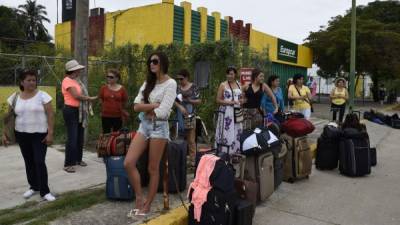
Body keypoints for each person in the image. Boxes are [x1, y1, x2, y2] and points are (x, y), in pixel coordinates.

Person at [124, 52, 177, 217]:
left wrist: (146, 107)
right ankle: (139, 198)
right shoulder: (148, 82)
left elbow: (163, 112)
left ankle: (147, 205)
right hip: (144, 126)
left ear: (163, 63)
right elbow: (135, 106)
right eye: (150, 61)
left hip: (159, 128)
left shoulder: (171, 83)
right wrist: (153, 105)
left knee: (152, 168)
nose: (151, 64)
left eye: (155, 61)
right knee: (128, 162)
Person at [1, 70, 56, 201]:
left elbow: (50, 114)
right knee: (29, 162)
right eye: (29, 80)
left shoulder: (43, 95)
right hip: (21, 134)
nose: (32, 82)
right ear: (22, 82)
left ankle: (45, 191)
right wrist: (4, 134)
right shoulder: (14, 97)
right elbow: (8, 118)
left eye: (34, 80)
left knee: (39, 161)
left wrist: (50, 133)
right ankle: (33, 187)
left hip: (39, 134)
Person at [62, 60, 98, 173]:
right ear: (73, 70)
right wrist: (90, 99)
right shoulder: (67, 81)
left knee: (79, 137)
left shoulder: (76, 80)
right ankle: (68, 164)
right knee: (72, 138)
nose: (80, 71)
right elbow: (76, 96)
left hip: (79, 111)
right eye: (78, 69)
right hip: (70, 111)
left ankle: (78, 159)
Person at [174, 69, 201, 166]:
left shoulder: (193, 87)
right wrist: (180, 107)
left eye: (181, 79)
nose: (180, 81)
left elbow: (199, 101)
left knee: (191, 139)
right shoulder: (177, 87)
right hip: (180, 115)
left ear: (186, 78)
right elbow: (174, 100)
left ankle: (192, 160)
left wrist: (190, 101)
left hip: (190, 115)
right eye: (178, 79)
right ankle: (181, 160)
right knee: (180, 138)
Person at [215, 66, 243, 154]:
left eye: (231, 74)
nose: (229, 76)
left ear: (235, 75)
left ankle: (235, 152)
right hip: (226, 112)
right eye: (228, 74)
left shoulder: (239, 84)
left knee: (236, 131)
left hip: (237, 111)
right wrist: (229, 102)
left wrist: (242, 101)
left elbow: (242, 97)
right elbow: (218, 100)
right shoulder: (223, 85)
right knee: (226, 131)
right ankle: (224, 152)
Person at [99, 69, 129, 133]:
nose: (109, 78)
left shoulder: (122, 89)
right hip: (105, 115)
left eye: (111, 77)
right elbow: (101, 99)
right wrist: (103, 108)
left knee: (117, 135)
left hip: (118, 116)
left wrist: (122, 109)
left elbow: (125, 101)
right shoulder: (103, 88)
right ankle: (106, 143)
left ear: (117, 78)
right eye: (107, 76)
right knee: (106, 134)